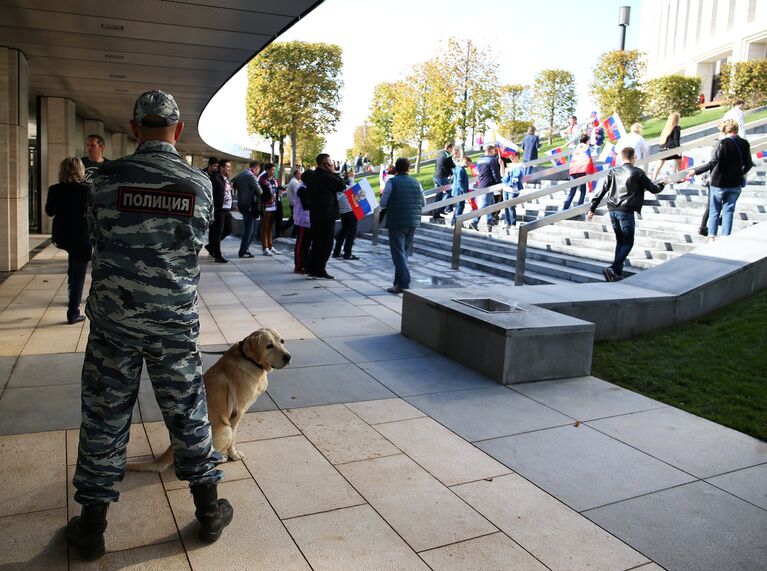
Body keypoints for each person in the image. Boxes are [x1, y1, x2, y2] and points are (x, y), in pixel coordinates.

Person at [66, 90, 230, 561]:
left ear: (135, 129)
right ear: (177, 131)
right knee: (188, 413)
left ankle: (93, 527)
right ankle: (208, 511)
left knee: (104, 416)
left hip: (114, 324)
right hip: (173, 326)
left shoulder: (103, 181)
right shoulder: (198, 185)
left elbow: (96, 238)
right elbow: (196, 243)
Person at [588, 146, 665, 282]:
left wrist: (592, 208)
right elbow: (653, 189)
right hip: (626, 210)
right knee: (628, 242)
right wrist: (663, 184)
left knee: (620, 241)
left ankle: (616, 273)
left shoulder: (613, 171)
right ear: (633, 156)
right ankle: (613, 268)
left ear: (622, 157)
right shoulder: (637, 172)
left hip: (612, 210)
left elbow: (602, 190)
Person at [45, 157, 92, 324]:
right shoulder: (87, 190)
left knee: (73, 269)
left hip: (62, 236)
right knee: (79, 274)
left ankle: (72, 299)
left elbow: (49, 212)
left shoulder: (54, 189)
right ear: (80, 171)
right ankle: (73, 312)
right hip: (81, 236)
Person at [693, 118, 753, 240]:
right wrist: (739, 173)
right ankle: (725, 238)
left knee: (714, 211)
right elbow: (749, 164)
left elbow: (713, 162)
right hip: (735, 183)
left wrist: (695, 171)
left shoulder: (722, 143)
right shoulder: (744, 143)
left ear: (724, 130)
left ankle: (712, 237)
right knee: (728, 212)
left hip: (718, 182)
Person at [380, 158, 425, 294]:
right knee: (403, 252)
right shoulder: (417, 182)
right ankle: (398, 284)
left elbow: (383, 202)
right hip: (412, 221)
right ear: (409, 168)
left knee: (398, 253)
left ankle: (404, 282)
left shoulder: (392, 182)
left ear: (396, 169)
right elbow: (423, 202)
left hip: (396, 221)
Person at [303, 153, 344, 279]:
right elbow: (341, 186)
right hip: (327, 216)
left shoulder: (313, 176)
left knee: (316, 243)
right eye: (330, 162)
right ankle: (320, 270)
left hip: (316, 215)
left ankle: (312, 269)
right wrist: (334, 172)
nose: (332, 164)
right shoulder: (326, 176)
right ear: (325, 164)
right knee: (326, 244)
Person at [205, 158, 233, 263]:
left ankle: (211, 246)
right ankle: (218, 255)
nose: (229, 168)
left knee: (229, 229)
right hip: (219, 209)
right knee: (217, 232)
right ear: (221, 167)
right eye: (227, 166)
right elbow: (212, 193)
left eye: (230, 167)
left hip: (227, 209)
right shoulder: (215, 178)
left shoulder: (226, 178)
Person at [470, 144, 502, 230]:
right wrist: (499, 183)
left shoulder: (480, 160)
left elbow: (477, 171)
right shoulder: (492, 160)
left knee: (490, 203)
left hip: (481, 184)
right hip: (489, 185)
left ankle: (489, 221)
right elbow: (495, 173)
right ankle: (474, 221)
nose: (495, 152)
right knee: (485, 204)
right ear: (491, 150)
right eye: (494, 150)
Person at [232, 161, 261, 258]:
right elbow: (259, 190)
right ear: (255, 168)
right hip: (249, 205)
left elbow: (235, 186)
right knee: (249, 230)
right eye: (258, 171)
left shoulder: (241, 174)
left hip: (242, 204)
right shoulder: (251, 176)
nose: (257, 173)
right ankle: (243, 250)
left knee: (249, 229)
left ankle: (245, 249)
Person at [333, 171, 359, 260]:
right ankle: (347, 253)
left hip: (344, 212)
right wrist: (352, 179)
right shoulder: (343, 187)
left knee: (344, 230)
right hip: (350, 211)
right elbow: (352, 190)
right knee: (351, 233)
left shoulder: (335, 189)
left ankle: (336, 252)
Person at [563, 134, 593, 210]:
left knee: (572, 190)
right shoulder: (586, 148)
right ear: (587, 140)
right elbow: (589, 158)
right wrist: (590, 171)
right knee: (583, 190)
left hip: (573, 169)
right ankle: (580, 207)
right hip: (581, 170)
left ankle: (565, 208)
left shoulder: (576, 148)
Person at [652, 112, 682, 181]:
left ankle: (653, 179)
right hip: (671, 149)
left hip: (662, 148)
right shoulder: (676, 127)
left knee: (659, 164)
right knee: (679, 161)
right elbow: (676, 140)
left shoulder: (666, 128)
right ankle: (679, 178)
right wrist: (679, 150)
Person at [258, 163, 279, 255]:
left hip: (274, 206)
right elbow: (261, 192)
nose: (273, 171)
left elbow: (277, 190)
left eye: (274, 170)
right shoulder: (263, 179)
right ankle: (265, 247)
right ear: (267, 170)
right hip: (266, 206)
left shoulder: (275, 180)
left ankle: (270, 246)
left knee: (270, 227)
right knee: (265, 228)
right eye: (271, 170)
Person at [293, 172, 311, 274]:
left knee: (306, 244)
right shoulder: (302, 189)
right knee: (301, 244)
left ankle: (305, 264)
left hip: (307, 220)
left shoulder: (306, 188)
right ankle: (299, 265)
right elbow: (306, 205)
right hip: (302, 220)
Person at [432, 143, 456, 220]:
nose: (453, 150)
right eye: (452, 148)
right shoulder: (447, 155)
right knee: (450, 192)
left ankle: (435, 213)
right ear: (449, 148)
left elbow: (439, 165)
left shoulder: (440, 154)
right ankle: (440, 209)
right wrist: (453, 173)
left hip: (436, 176)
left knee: (438, 194)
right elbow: (452, 166)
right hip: (441, 177)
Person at [502, 153, 524, 229]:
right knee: (505, 206)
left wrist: (509, 171)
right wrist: (502, 165)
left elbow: (519, 176)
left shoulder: (520, 165)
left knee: (511, 206)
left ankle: (513, 223)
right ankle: (507, 222)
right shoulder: (509, 165)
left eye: (513, 156)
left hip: (513, 189)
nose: (511, 158)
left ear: (517, 157)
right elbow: (503, 175)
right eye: (510, 157)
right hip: (506, 187)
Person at [450, 156, 472, 226]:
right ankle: (457, 222)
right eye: (469, 164)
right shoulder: (461, 170)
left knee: (458, 207)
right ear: (466, 162)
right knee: (460, 207)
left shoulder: (456, 168)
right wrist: (464, 192)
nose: (469, 166)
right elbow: (459, 182)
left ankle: (454, 221)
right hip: (460, 192)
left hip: (455, 191)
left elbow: (452, 179)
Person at [284, 169, 302, 236]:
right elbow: (297, 193)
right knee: (294, 219)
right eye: (300, 174)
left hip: (293, 203)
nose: (301, 175)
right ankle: (286, 229)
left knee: (294, 218)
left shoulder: (294, 181)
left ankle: (293, 232)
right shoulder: (294, 182)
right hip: (294, 203)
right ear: (296, 174)